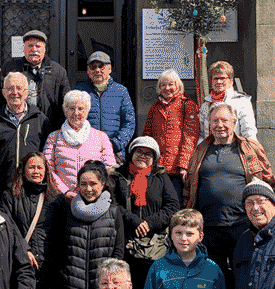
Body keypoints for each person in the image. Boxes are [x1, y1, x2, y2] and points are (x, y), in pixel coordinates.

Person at [184, 103, 275, 286]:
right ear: (209, 124)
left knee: (245, 280)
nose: (219, 125)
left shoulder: (250, 148)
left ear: (234, 123)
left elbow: (269, 184)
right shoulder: (200, 150)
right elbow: (189, 188)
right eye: (215, 121)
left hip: (242, 226)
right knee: (212, 283)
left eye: (224, 120)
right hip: (209, 228)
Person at [0, 151, 59, 289]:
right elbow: (7, 226)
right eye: (31, 167)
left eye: (39, 167)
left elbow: (58, 233)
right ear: (23, 170)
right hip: (20, 266)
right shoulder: (10, 196)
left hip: (48, 269)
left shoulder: (55, 198)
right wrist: (24, 250)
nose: (35, 171)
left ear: (46, 172)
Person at [50, 161, 124, 289]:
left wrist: (110, 280)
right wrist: (64, 276)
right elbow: (59, 247)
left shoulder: (113, 212)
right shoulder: (68, 211)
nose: (88, 189)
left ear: (103, 184)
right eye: (83, 184)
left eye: (93, 184)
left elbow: (118, 250)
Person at [110, 137, 180, 289]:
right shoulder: (118, 175)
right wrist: (135, 222)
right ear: (131, 153)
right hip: (126, 241)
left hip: (155, 243)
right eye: (139, 151)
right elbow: (114, 204)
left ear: (154, 158)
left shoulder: (160, 176)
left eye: (148, 153)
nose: (143, 156)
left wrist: (149, 224)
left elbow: (172, 205)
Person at [0, 72, 51, 206]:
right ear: (4, 92)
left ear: (27, 92)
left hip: (32, 191)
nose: (15, 92)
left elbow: (46, 157)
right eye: (10, 88)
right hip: (1, 192)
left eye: (19, 88)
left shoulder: (41, 120)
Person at [0, 29, 71, 130]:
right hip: (16, 128)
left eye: (38, 46)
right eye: (30, 46)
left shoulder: (58, 71)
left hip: (48, 128)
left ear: (45, 49)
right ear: (24, 49)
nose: (34, 50)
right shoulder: (10, 68)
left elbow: (66, 103)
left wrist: (61, 128)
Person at [43, 90, 116, 201]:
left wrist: (92, 190)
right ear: (65, 111)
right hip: (62, 199)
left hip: (93, 198)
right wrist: (65, 192)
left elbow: (109, 168)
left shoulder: (101, 137)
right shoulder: (54, 137)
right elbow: (48, 169)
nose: (76, 113)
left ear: (87, 111)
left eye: (81, 109)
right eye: (71, 108)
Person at [143, 69, 199, 205]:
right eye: (163, 85)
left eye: (170, 84)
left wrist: (184, 165)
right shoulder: (155, 107)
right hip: (157, 167)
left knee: (176, 204)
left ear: (178, 86)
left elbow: (190, 138)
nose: (167, 88)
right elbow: (147, 135)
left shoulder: (187, 105)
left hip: (177, 170)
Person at [75, 51, 135, 163]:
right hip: (86, 150)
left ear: (110, 69)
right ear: (88, 71)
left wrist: (115, 143)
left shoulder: (121, 91)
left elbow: (129, 123)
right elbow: (72, 120)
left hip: (114, 151)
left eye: (101, 66)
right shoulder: (79, 90)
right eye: (93, 67)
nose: (97, 70)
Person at [198, 61, 257, 143]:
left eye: (222, 78)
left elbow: (249, 131)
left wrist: (248, 151)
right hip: (211, 152)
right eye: (215, 78)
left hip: (234, 151)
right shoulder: (206, 104)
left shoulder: (242, 102)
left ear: (231, 81)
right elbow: (201, 133)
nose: (218, 82)